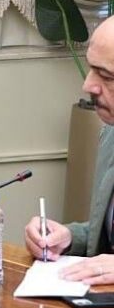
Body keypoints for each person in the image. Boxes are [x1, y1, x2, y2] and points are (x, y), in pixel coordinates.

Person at [24, 14, 114, 285]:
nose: (88, 85)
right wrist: (69, 237)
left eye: (106, 76)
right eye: (91, 69)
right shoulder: (111, 133)